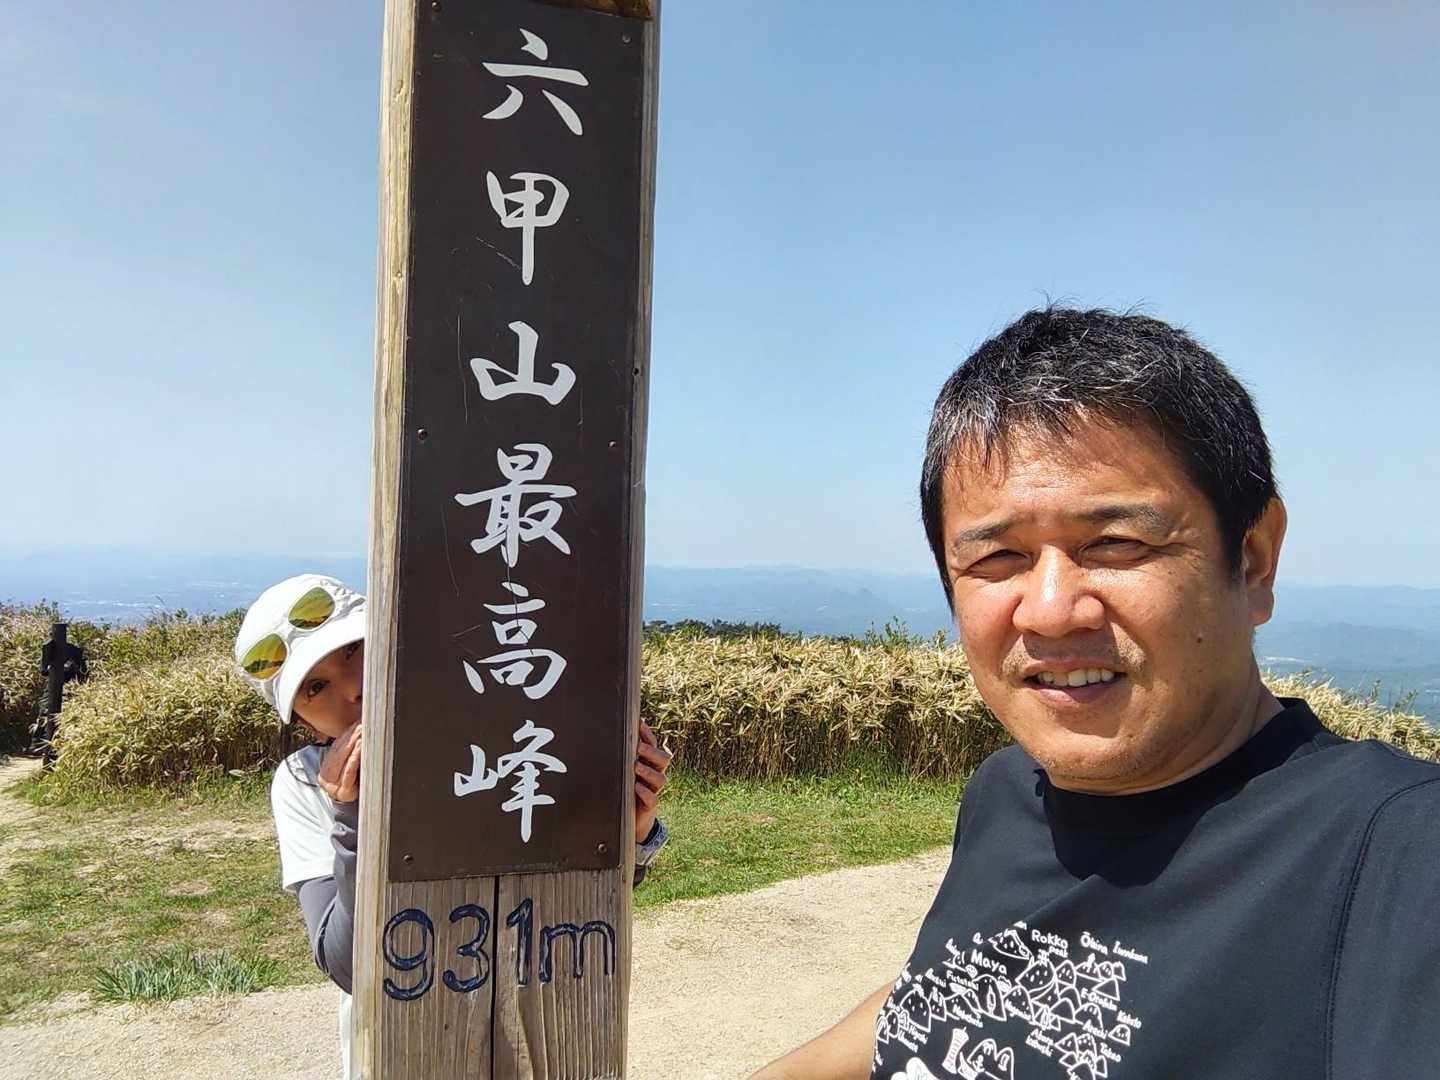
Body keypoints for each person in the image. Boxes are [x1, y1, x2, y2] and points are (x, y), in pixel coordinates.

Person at [751, 307, 1440, 1079]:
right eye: (998, 557)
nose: (1050, 611)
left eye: (1115, 544)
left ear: (1252, 561)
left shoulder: (1398, 855)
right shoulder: (1007, 790)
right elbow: (950, 995)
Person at [234, 574, 672, 1080]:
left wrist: (630, 831)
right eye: (316, 688)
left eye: (354, 650)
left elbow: (576, 901)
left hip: (539, 1032)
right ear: (305, 723)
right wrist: (351, 816)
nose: (353, 689)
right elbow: (349, 965)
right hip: (405, 1049)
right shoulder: (304, 785)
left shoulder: (501, 732)